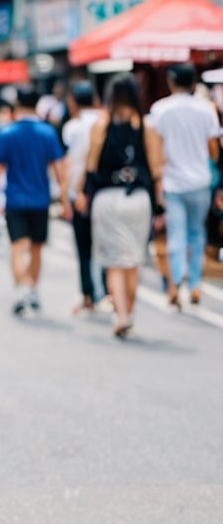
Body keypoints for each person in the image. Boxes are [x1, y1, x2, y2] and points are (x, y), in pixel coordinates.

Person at [77, 75, 163, 338]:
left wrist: (81, 194)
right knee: (134, 259)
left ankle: (121, 314)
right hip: (137, 199)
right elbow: (157, 170)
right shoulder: (147, 128)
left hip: (106, 198)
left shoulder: (100, 128)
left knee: (114, 261)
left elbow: (89, 167)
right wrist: (160, 208)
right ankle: (131, 315)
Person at [0, 85, 70, 315]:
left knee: (17, 247)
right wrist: (64, 200)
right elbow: (59, 171)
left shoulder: (6, 133)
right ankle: (32, 288)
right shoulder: (48, 133)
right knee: (36, 248)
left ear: (16, 106)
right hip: (40, 200)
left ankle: (20, 289)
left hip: (14, 200)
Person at [147, 64, 220, 308]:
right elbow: (214, 150)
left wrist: (158, 183)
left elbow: (155, 152)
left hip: (172, 182)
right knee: (197, 233)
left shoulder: (160, 110)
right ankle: (196, 284)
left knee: (175, 235)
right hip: (200, 180)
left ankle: (176, 282)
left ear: (170, 81)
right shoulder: (206, 110)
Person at [62, 81, 107, 312]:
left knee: (83, 247)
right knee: (106, 244)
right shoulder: (105, 120)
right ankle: (108, 293)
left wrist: (67, 194)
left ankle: (88, 293)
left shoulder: (73, 127)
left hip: (78, 191)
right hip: (104, 190)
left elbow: (70, 163)